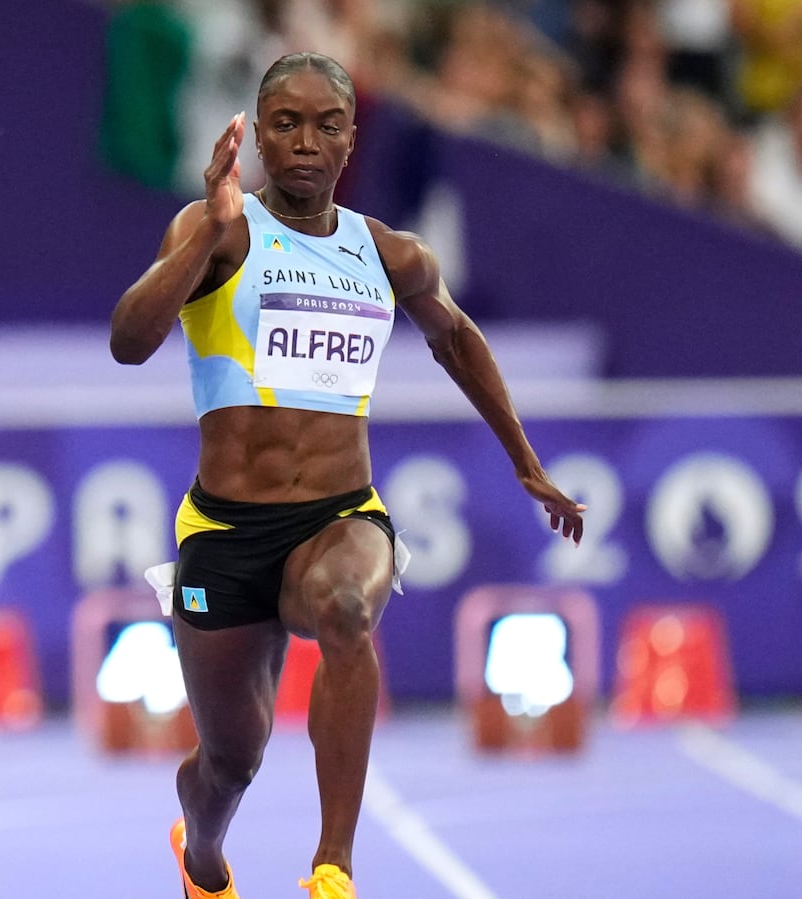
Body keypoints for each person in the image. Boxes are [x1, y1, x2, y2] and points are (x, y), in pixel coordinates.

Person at [109, 53, 585, 899]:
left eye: (326, 124)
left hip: (340, 511)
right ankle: (204, 854)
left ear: (351, 138)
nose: (304, 142)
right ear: (257, 134)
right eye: (284, 123)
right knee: (230, 758)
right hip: (225, 531)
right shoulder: (218, 228)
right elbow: (130, 338)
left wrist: (527, 463)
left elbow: (457, 338)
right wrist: (207, 230)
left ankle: (334, 866)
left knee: (346, 606)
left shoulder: (389, 253)